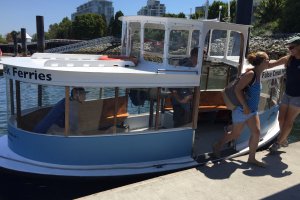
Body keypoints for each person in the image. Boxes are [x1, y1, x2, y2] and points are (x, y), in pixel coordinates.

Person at [213, 51, 270, 167]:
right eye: (268, 60)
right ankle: (218, 145)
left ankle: (252, 158)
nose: (269, 62)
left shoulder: (258, 74)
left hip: (252, 111)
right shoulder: (251, 74)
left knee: (256, 132)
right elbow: (237, 89)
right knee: (235, 134)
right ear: (263, 62)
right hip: (242, 109)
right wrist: (245, 106)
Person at [268, 36, 300, 152]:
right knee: (281, 119)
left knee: (289, 120)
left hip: (298, 97)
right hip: (287, 93)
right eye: (288, 47)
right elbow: (272, 64)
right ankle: (284, 139)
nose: (289, 49)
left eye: (292, 47)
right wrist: (255, 66)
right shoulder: (288, 59)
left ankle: (277, 143)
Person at [170, 48, 198, 127]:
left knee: (181, 119)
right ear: (196, 56)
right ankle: (178, 136)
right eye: (202, 56)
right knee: (181, 121)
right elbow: (173, 82)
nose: (203, 58)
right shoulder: (187, 66)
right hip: (182, 100)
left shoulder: (185, 63)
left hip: (182, 99)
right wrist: (181, 99)